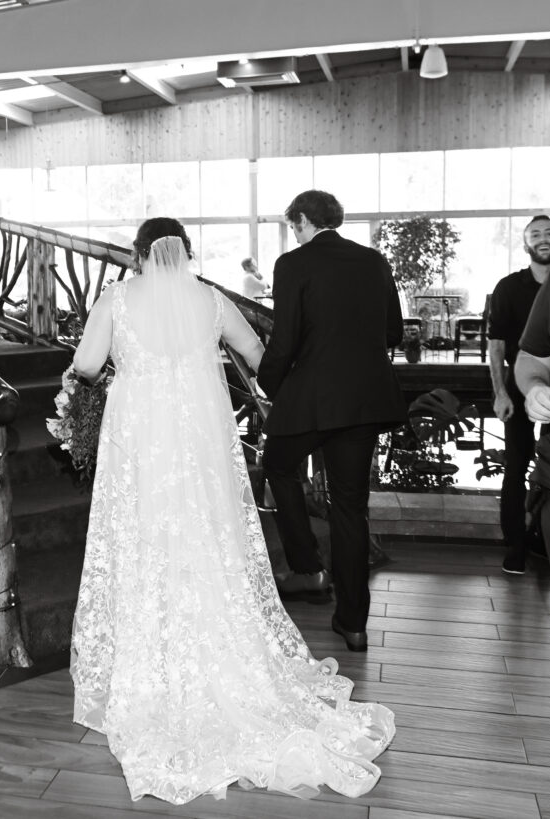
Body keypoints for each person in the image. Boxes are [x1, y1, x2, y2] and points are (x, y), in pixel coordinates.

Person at [69, 216, 394, 804]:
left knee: (144, 535)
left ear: (140, 256)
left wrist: (93, 379)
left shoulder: (116, 299)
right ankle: (226, 656)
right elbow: (256, 350)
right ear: (186, 253)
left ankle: (152, 664)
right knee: (207, 534)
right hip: (200, 441)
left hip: (141, 441)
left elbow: (88, 367)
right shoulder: (212, 300)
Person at [258, 190, 406, 654]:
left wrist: (268, 382)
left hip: (313, 400)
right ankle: (354, 623)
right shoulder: (374, 261)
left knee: (279, 466)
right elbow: (394, 332)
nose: (294, 233)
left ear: (303, 220)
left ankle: (307, 566)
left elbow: (284, 340)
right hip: (363, 401)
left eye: (293, 224)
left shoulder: (293, 264)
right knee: (350, 507)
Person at [488, 215, 550, 574]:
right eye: (535, 235)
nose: (543, 239)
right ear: (525, 243)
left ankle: (543, 539)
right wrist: (501, 394)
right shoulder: (508, 287)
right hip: (519, 391)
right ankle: (516, 545)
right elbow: (497, 348)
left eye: (549, 233)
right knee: (515, 468)